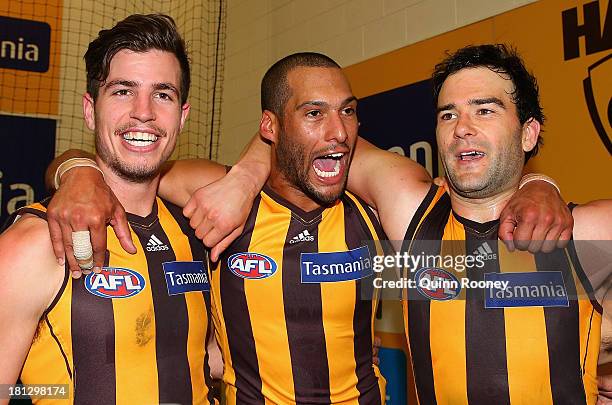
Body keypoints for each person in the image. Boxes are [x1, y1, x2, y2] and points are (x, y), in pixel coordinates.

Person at [45, 52, 573, 403]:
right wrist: (77, 170)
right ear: (271, 126)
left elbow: (479, 193)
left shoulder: (373, 206)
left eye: (347, 112)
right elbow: (122, 169)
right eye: (315, 113)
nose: (338, 131)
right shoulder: (215, 196)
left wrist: (539, 180)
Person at [0, 14, 267, 404]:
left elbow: (206, 358)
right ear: (91, 109)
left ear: (182, 115)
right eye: (124, 91)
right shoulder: (34, 242)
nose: (144, 112)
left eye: (163, 94)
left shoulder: (199, 227)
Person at [398, 44, 612, 404]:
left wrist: (540, 181)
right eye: (448, 115)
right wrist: (266, 144)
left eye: (484, 110)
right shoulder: (408, 217)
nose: (462, 128)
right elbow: (325, 141)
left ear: (528, 134)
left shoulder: (584, 232)